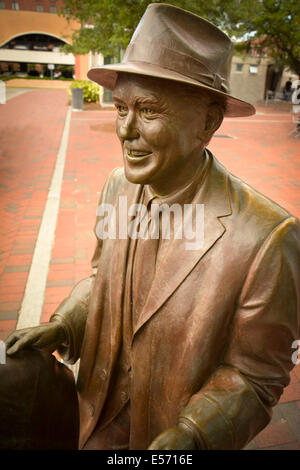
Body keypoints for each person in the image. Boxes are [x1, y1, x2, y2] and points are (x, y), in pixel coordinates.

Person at [5, 4, 300, 450]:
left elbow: (256, 378)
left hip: (165, 434)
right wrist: (64, 324)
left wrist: (193, 435)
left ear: (208, 122)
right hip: (92, 406)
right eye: (121, 107)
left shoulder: (267, 238)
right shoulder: (116, 187)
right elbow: (100, 280)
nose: (125, 130)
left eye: (147, 110)